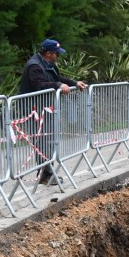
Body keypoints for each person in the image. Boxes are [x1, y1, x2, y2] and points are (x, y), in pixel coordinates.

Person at [19, 39, 87, 184]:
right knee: (42, 142)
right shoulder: (34, 66)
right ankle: (45, 175)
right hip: (35, 111)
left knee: (48, 141)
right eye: (56, 54)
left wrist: (74, 83)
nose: (58, 56)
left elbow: (57, 78)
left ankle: (47, 173)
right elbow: (39, 85)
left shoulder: (48, 65)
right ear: (48, 53)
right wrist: (58, 85)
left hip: (45, 109)